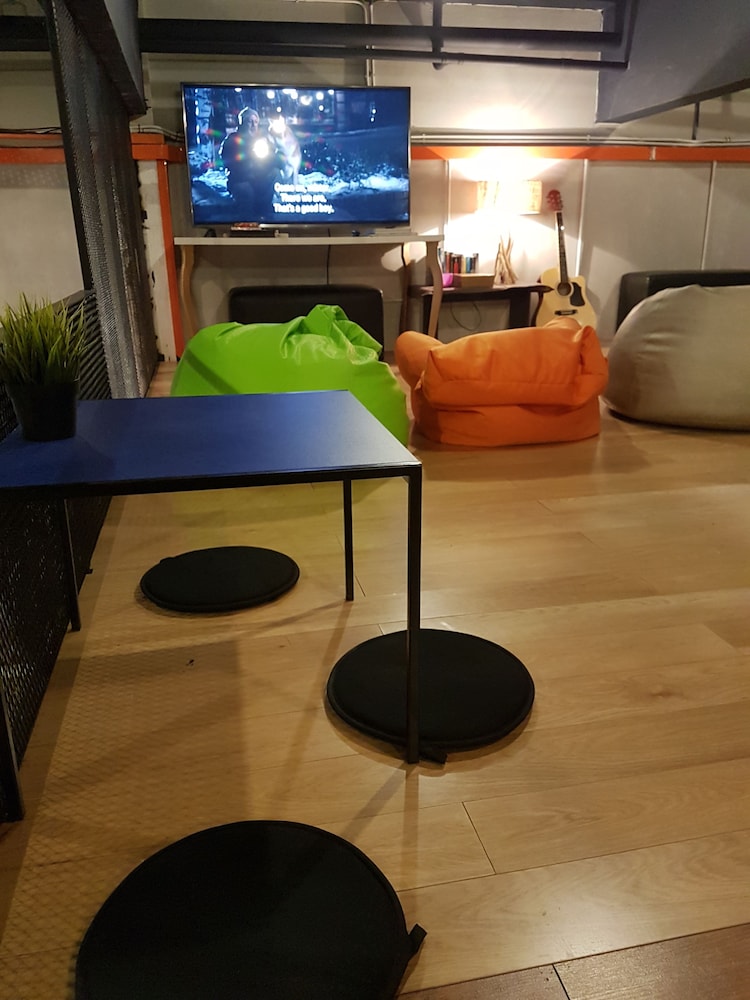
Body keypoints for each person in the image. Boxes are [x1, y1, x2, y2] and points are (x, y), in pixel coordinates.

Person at [219, 107, 289, 220]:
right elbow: (229, 162)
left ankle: (267, 217)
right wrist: (249, 160)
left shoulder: (263, 139)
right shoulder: (232, 140)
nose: (253, 125)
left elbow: (274, 159)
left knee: (274, 174)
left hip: (260, 178)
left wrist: (280, 154)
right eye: (249, 121)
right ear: (242, 123)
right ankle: (247, 222)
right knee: (246, 192)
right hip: (241, 180)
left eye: (255, 122)